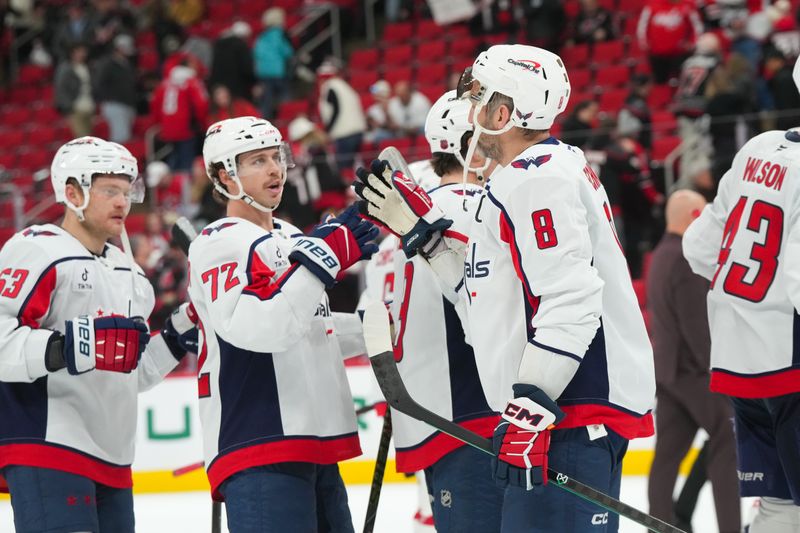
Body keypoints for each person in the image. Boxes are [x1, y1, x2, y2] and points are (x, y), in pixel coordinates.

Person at [354, 44, 656, 532]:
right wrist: (428, 243)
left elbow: (569, 297)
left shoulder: (537, 177)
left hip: (568, 415)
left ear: (503, 111)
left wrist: (531, 408)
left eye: (479, 101)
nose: (471, 115)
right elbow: (488, 308)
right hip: (560, 415)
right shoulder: (518, 182)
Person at [188, 116, 380, 532]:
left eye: (276, 157)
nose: (275, 169)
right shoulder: (219, 240)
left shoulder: (292, 236)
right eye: (257, 160)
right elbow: (260, 328)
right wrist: (323, 260)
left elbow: (313, 330)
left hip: (315, 446)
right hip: (261, 445)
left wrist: (378, 326)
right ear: (225, 175)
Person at [0, 136, 196, 533]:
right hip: (49, 445)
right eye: (109, 190)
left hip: (113, 456)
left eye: (127, 191)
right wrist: (68, 346)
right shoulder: (37, 251)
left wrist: (177, 334)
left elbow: (130, 372)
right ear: (72, 192)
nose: (123, 202)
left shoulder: (129, 274)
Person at [682, 62, 800, 532]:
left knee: (779, 506)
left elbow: (699, 248)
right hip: (791, 360)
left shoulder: (759, 148)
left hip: (738, 360)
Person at [384, 91, 503, 532]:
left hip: (444, 418)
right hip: (474, 415)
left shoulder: (427, 210)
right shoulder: (469, 206)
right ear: (466, 142)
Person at [647, 190, 740, 533]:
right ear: (696, 216)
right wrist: (721, 371)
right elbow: (696, 326)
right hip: (694, 372)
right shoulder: (685, 259)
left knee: (667, 456)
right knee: (727, 439)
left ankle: (658, 525)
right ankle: (730, 527)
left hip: (669, 372)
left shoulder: (659, 254)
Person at [254, 8, 293, 120]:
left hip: (264, 73)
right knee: (285, 100)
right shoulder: (280, 34)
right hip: (279, 72)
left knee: (266, 103)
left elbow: (257, 54)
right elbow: (287, 52)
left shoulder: (261, 37)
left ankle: (263, 125)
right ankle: (286, 122)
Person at [54, 42, 95, 138]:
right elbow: (61, 88)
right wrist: (68, 107)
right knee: (80, 138)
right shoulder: (65, 68)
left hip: (89, 106)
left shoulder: (87, 67)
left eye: (84, 51)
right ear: (73, 52)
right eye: (80, 51)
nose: (83, 54)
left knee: (89, 138)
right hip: (76, 107)